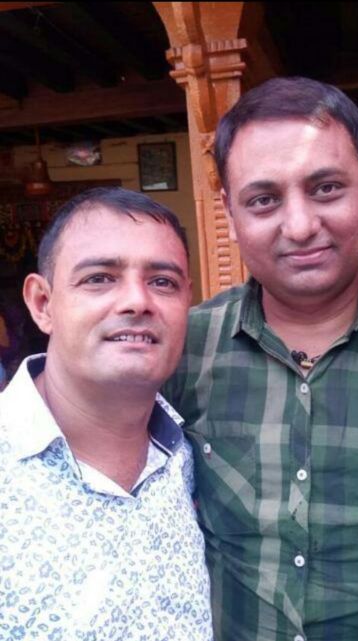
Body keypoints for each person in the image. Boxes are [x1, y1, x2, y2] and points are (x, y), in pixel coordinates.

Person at [163, 77, 358, 641]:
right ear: (230, 213)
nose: (301, 226)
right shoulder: (185, 347)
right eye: (264, 200)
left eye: (326, 188)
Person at [0, 188, 213, 641]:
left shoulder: (186, 455)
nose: (137, 301)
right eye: (99, 278)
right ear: (42, 303)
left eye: (163, 282)